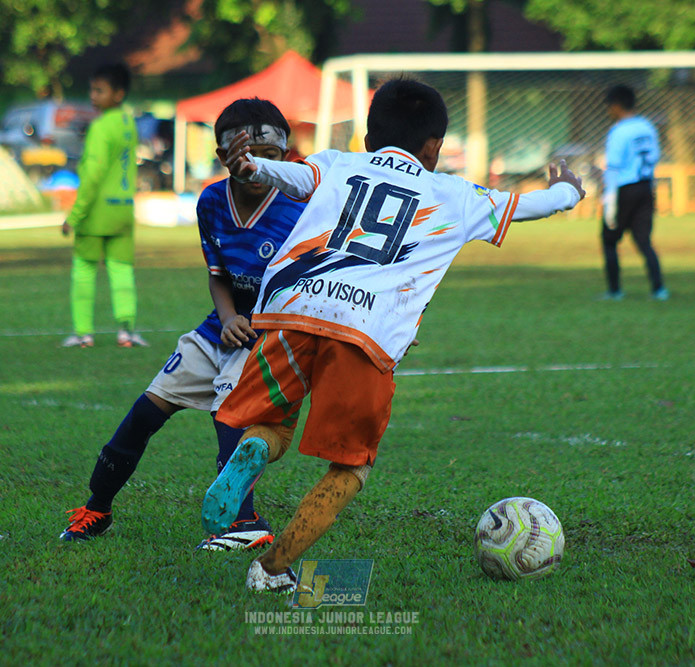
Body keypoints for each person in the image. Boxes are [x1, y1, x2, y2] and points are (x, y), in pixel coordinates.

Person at [201, 78, 585, 592]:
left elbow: (291, 178)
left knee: (275, 425)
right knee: (350, 467)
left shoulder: (339, 163)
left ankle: (251, 453)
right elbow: (532, 205)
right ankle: (272, 569)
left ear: (366, 137)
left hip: (290, 312)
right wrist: (569, 191)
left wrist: (253, 166)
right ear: (434, 148)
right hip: (366, 333)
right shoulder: (456, 194)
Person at [59, 98, 306, 551]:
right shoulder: (212, 201)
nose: (258, 168)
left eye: (271, 159)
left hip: (269, 337)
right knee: (145, 412)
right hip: (221, 328)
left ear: (288, 159)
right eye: (247, 157)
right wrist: (230, 317)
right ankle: (97, 506)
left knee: (227, 415)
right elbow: (218, 276)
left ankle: (243, 524)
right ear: (223, 157)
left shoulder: (303, 205)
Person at [60, 63, 145, 348]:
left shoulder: (99, 127)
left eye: (99, 90)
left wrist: (73, 215)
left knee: (84, 270)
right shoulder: (128, 123)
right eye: (92, 90)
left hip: (96, 212)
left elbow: (93, 174)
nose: (93, 96)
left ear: (118, 93)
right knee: (121, 270)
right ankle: (126, 331)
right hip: (122, 209)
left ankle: (83, 333)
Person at [600, 84, 668, 301]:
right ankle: (659, 289)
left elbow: (613, 167)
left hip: (624, 189)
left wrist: (609, 200)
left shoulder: (619, 131)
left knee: (609, 240)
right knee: (643, 240)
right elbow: (655, 156)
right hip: (646, 188)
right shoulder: (647, 126)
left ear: (617, 106)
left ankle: (614, 291)